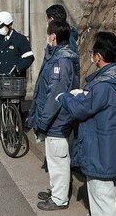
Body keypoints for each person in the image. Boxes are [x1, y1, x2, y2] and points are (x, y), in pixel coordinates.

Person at [56, 32, 116, 216]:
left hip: (100, 155)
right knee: (107, 201)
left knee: (102, 207)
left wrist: (66, 97)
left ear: (98, 56)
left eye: (93, 53)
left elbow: (80, 110)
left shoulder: (102, 85)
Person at [26, 20, 79, 211]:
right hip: (57, 119)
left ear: (53, 37)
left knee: (59, 160)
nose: (47, 38)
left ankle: (59, 199)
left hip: (58, 119)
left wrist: (43, 121)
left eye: (48, 34)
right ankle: (56, 190)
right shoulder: (59, 57)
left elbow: (54, 96)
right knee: (55, 158)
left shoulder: (61, 62)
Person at [0, 11, 34, 76]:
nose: (0, 29)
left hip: (15, 80)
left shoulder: (20, 39)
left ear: (9, 25)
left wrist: (17, 68)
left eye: (1, 26)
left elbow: (29, 57)